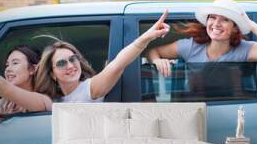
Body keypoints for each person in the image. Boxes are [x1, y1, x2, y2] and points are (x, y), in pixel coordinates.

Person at [35, 11, 170, 102]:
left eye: (72, 59)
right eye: (61, 63)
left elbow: (118, 64)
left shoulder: (89, 89)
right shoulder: (54, 100)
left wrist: (145, 38)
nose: (70, 65)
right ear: (52, 74)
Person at [147, 0, 257, 77]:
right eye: (212, 17)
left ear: (234, 28)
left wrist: (249, 24)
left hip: (230, 107)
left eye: (225, 19)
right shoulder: (190, 46)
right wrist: (157, 61)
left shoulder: (244, 49)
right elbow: (152, 51)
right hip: (194, 105)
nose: (216, 24)